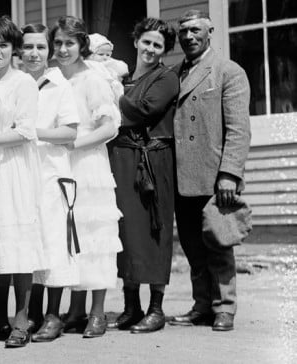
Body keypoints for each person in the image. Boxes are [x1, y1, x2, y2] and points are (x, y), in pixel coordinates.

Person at [168, 9, 251, 332]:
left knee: (219, 242)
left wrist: (229, 172)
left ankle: (225, 308)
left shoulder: (228, 71)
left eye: (194, 30)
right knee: (191, 246)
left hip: (215, 176)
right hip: (181, 177)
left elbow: (238, 129)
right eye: (183, 31)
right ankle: (202, 305)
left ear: (210, 31)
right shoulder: (175, 75)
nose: (188, 37)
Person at [51, 16, 123, 339]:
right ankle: (76, 309)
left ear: (82, 46)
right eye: (59, 43)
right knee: (70, 237)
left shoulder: (92, 79)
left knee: (95, 237)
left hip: (88, 164)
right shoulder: (53, 79)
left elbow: (109, 127)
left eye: (70, 43)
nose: (63, 49)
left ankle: (97, 312)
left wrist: (74, 144)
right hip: (61, 166)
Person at [108, 17, 179, 334]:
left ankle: (156, 308)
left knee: (154, 230)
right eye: (147, 41)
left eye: (158, 45)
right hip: (120, 158)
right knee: (125, 230)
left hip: (152, 159)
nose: (150, 49)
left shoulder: (166, 78)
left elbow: (144, 111)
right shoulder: (120, 78)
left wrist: (112, 100)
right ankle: (131, 305)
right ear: (136, 41)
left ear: (164, 51)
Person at [0, 16, 45, 348]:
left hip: (13, 168)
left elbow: (24, 131)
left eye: (3, 45)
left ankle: (21, 318)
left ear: (13, 49)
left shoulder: (23, 83)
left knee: (17, 241)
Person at [20, 23, 81, 343]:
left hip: (51, 173)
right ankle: (31, 313)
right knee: (31, 244)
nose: (34, 53)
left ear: (49, 52)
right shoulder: (14, 84)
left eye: (40, 48)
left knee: (55, 243)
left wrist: (34, 132)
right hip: (21, 175)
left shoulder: (59, 84)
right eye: (28, 47)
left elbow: (70, 133)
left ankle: (54, 315)